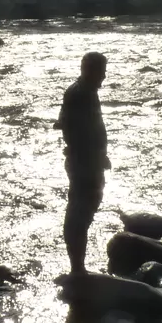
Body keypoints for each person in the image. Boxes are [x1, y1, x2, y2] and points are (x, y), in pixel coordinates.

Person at [54, 51, 109, 274]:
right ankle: (77, 269)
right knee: (80, 213)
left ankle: (78, 267)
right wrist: (94, 157)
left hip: (88, 161)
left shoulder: (85, 91)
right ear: (89, 70)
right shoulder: (80, 94)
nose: (104, 76)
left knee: (84, 210)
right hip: (84, 164)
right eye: (101, 71)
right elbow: (74, 131)